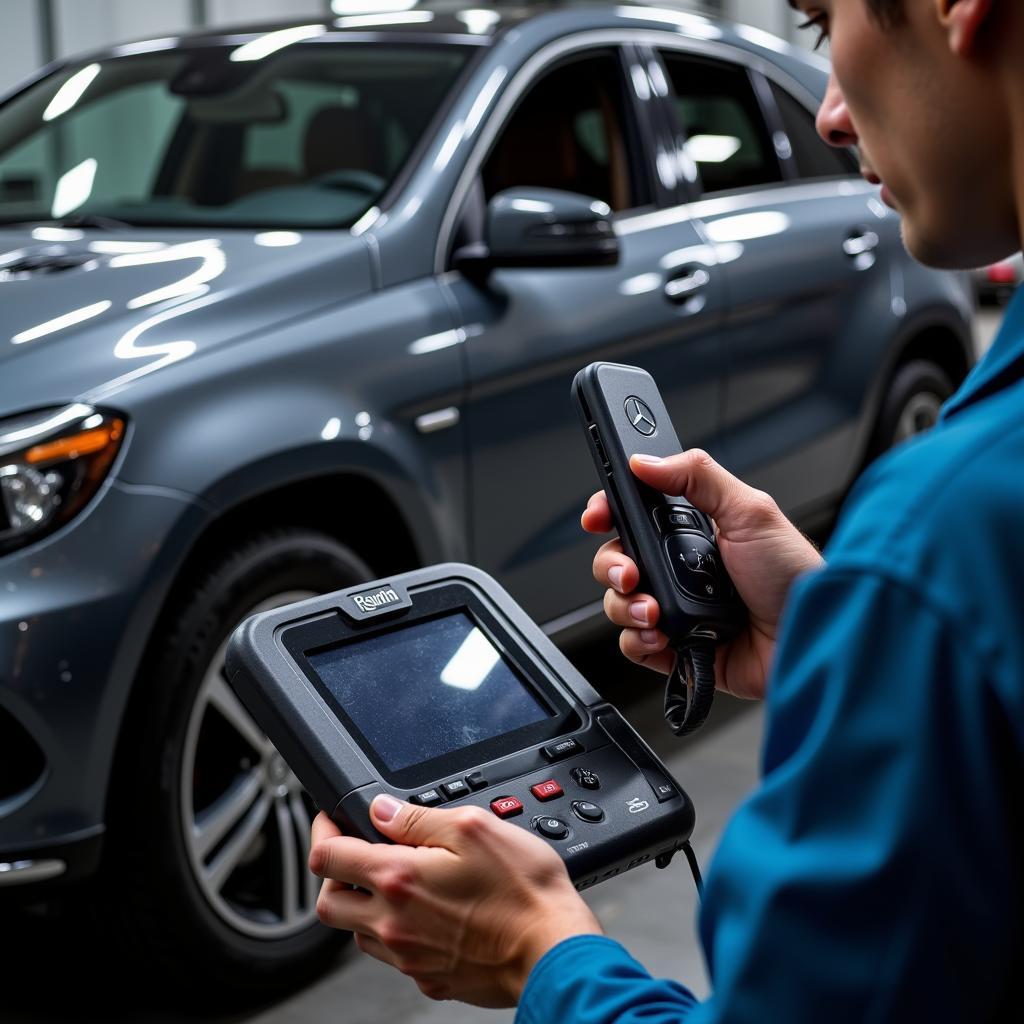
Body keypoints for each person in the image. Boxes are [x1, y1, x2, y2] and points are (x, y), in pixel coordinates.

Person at [308, 0, 1024, 1017]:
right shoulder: (942, 562)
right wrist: (859, 640)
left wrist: (540, 954)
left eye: (823, 27)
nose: (824, 113)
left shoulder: (941, 537)